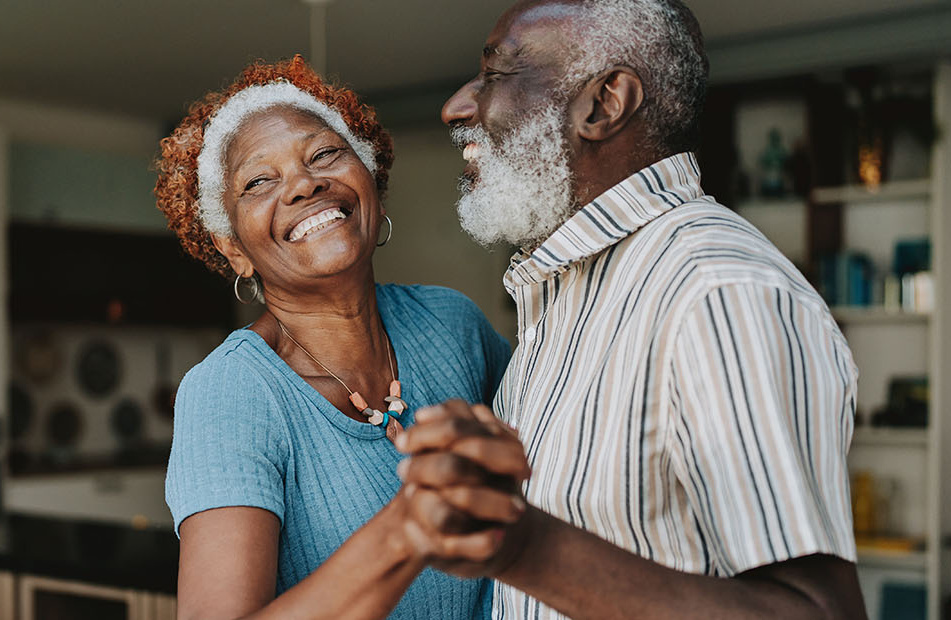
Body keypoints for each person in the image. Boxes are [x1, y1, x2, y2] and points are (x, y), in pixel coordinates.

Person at [392, 1, 869, 618]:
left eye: (497, 74)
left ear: (604, 103)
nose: (456, 105)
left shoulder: (714, 293)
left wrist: (520, 546)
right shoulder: (569, 296)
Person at [156, 57, 514, 620]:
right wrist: (408, 527)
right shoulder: (231, 393)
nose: (304, 184)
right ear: (233, 250)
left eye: (324, 154)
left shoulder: (453, 323)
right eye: (258, 182)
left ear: (370, 179)